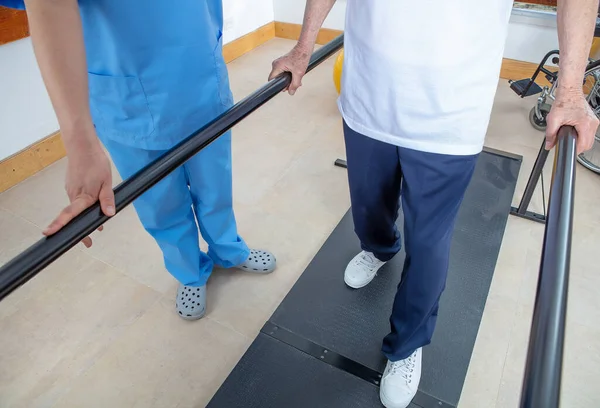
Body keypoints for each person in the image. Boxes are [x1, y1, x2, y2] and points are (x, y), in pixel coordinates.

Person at [269, 1, 599, 407]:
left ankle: (406, 345)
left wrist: (568, 92)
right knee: (369, 205)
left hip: (450, 109)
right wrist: (304, 45)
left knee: (428, 241)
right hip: (369, 90)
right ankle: (379, 248)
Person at [3, 0, 276, 321]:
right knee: (160, 203)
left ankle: (228, 249)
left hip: (199, 74)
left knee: (215, 184)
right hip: (125, 95)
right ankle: (189, 271)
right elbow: (48, 6)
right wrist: (79, 144)